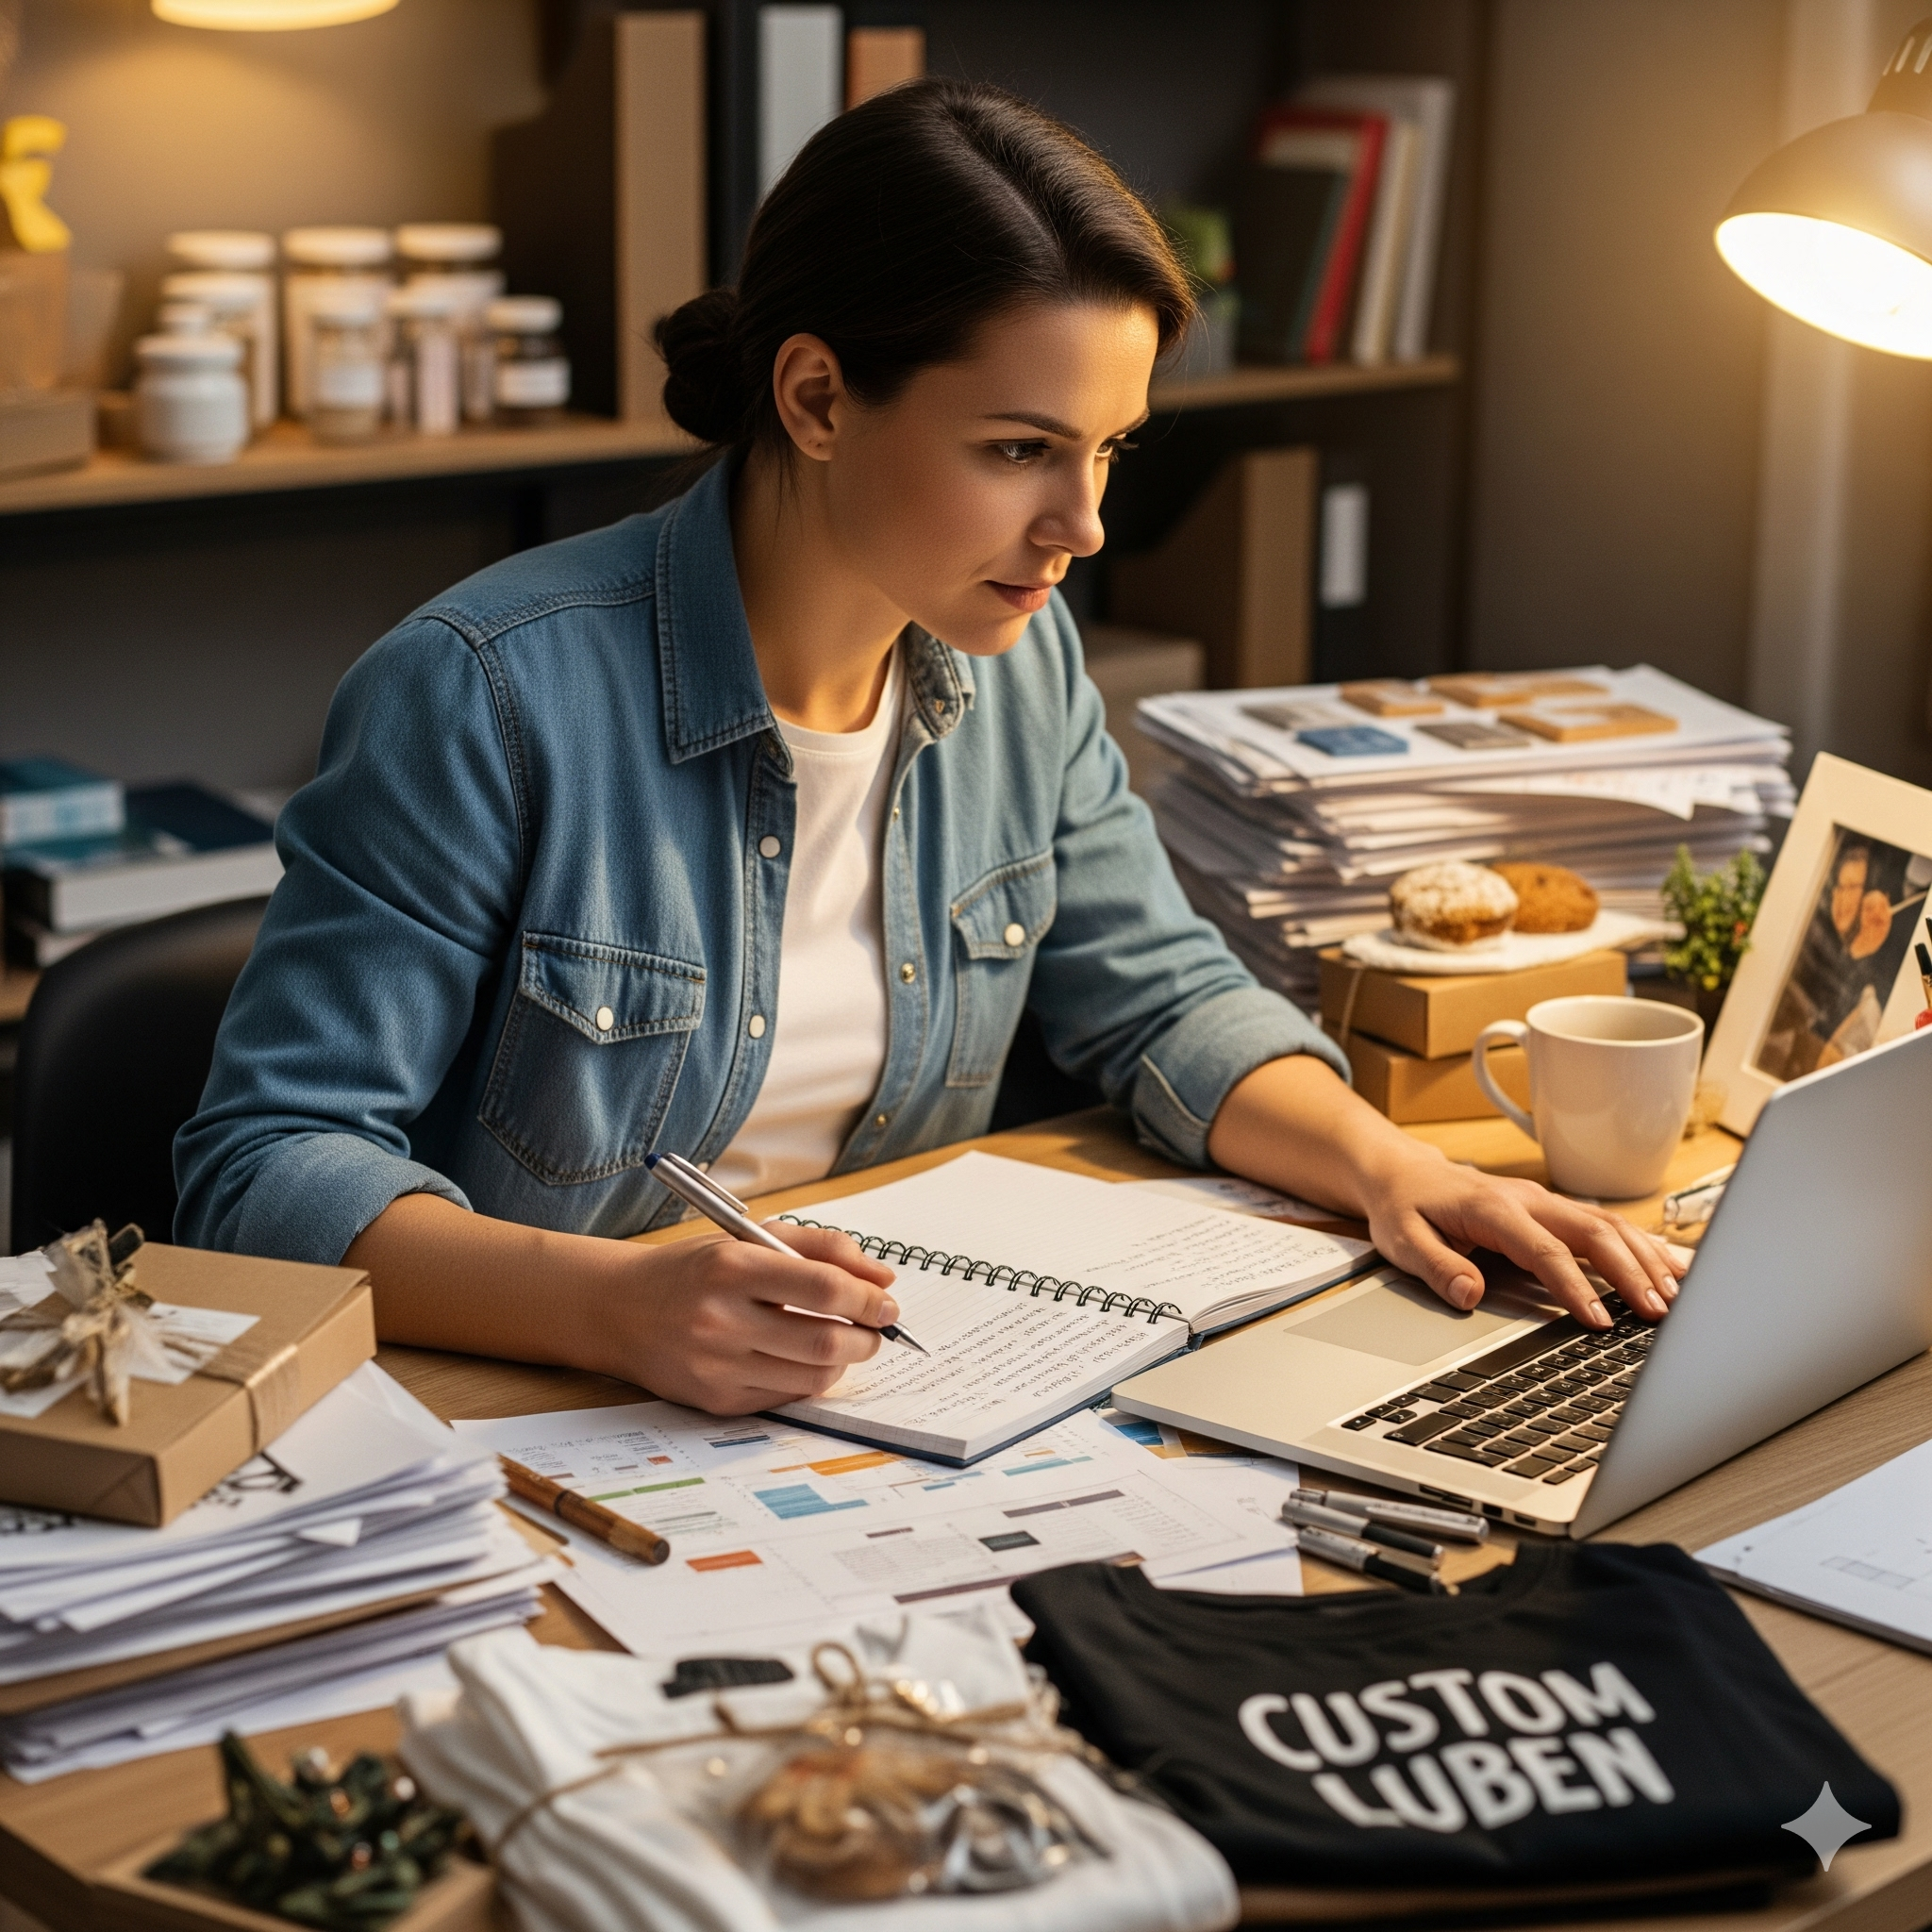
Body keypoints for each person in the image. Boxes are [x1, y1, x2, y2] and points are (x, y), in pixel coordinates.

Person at [175, 80, 1683, 1416]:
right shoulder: (484, 694)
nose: (1083, 528)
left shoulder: (1016, 667)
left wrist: (1396, 1172)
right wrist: (611, 1304)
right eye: (1021, 449)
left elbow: (1160, 997)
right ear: (819, 397)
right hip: (533, 1419)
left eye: (1108, 453)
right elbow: (266, 1170)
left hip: (900, 1411)